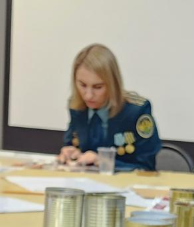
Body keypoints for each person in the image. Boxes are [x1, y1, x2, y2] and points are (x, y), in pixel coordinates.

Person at [57, 44, 161, 172]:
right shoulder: (77, 107)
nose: (88, 95)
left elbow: (147, 168)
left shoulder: (136, 111)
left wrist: (104, 161)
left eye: (98, 87)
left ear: (113, 84)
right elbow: (72, 144)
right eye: (82, 85)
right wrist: (71, 154)